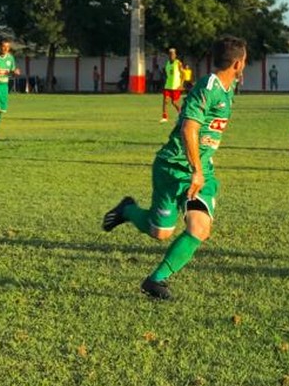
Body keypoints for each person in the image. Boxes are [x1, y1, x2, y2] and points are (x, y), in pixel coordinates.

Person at [102, 36, 248, 300]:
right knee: (160, 232)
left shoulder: (228, 89)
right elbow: (189, 127)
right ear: (239, 63)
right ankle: (128, 210)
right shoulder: (208, 87)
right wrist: (196, 170)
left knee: (199, 229)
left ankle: (155, 281)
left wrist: (202, 169)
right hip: (172, 167)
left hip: (201, 170)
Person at [161, 48, 184, 122]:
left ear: (175, 55)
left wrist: (181, 84)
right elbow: (167, 74)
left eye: (173, 54)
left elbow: (183, 74)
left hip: (175, 86)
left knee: (174, 102)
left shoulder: (178, 63)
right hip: (168, 85)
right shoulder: (167, 63)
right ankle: (164, 117)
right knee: (165, 101)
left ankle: (181, 114)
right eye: (170, 54)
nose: (171, 55)